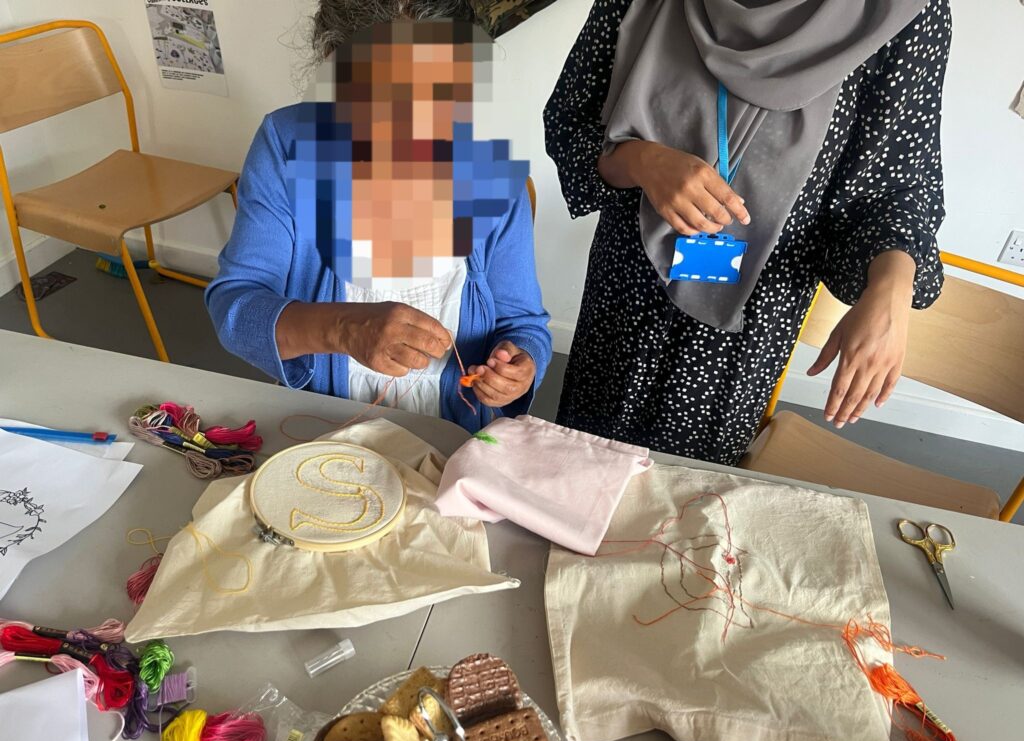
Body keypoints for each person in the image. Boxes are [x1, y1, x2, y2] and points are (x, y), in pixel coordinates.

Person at [544, 0, 949, 464]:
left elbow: (895, 187)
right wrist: (641, 160)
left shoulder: (902, 11)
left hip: (749, 321)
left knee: (692, 489)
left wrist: (892, 288)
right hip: (625, 285)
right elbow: (571, 119)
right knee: (580, 462)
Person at [206, 7, 551, 433]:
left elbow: (524, 325)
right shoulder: (286, 146)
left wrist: (519, 367)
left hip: (455, 433)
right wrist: (342, 328)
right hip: (323, 423)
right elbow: (234, 308)